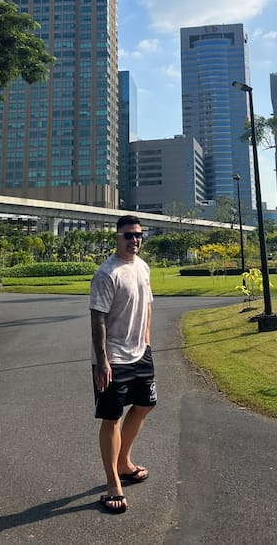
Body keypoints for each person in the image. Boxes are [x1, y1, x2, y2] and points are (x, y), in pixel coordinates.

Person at [90, 215, 156, 514]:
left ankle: (124, 461)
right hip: (113, 358)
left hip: (141, 353)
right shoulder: (107, 273)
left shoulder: (142, 266)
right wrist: (102, 361)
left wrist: (147, 341)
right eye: (128, 235)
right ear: (117, 238)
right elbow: (98, 319)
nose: (135, 240)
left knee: (145, 405)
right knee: (112, 417)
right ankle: (113, 483)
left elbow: (148, 305)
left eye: (138, 235)